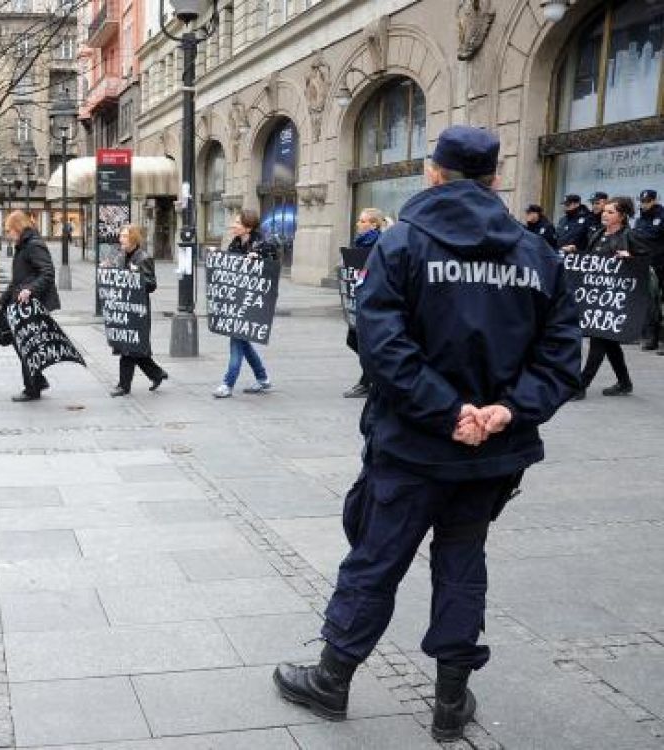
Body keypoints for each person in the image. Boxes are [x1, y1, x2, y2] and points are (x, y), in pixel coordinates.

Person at [272, 126, 581, 742]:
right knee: (462, 564)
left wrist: (448, 412)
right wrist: (504, 412)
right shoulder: (537, 254)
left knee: (376, 558)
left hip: (413, 446)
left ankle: (332, 679)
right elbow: (561, 354)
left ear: (433, 172)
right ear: (494, 179)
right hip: (491, 452)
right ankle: (449, 701)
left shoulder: (402, 244)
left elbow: (380, 344)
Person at [566, 196, 647, 398]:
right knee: (609, 341)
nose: (605, 214)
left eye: (611, 212)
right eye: (605, 211)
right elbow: (592, 260)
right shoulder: (598, 234)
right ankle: (624, 382)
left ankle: (581, 386)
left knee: (599, 340)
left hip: (618, 299)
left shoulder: (630, 235)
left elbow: (645, 262)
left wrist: (630, 258)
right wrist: (576, 252)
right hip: (598, 298)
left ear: (622, 216)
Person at [213, 209, 279, 398]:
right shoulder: (235, 243)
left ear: (248, 227)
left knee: (237, 340)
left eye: (237, 223)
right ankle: (263, 379)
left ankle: (227, 383)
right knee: (243, 341)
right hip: (237, 300)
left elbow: (271, 274)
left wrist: (258, 262)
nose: (233, 226)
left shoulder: (264, 245)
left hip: (255, 302)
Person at [1, 210, 60, 402]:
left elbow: (48, 273)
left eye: (9, 230)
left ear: (18, 228)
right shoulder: (23, 246)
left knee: (25, 345)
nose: (8, 234)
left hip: (34, 303)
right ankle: (38, 381)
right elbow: (19, 278)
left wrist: (30, 290)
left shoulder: (34, 245)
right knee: (24, 345)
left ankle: (32, 388)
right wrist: (3, 300)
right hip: (23, 302)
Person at [103, 224, 168, 396]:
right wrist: (108, 268)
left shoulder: (143, 258)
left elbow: (151, 284)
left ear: (133, 238)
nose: (120, 239)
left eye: (124, 236)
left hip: (137, 310)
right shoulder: (121, 255)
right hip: (124, 308)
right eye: (121, 236)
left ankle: (123, 386)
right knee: (133, 347)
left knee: (128, 348)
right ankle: (157, 373)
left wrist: (136, 275)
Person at [343, 208, 390, 399]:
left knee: (365, 342)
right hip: (358, 298)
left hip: (374, 299)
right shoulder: (360, 243)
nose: (359, 224)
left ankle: (368, 381)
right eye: (359, 221)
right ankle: (373, 377)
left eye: (363, 221)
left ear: (374, 225)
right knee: (353, 339)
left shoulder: (380, 243)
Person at [632, 189, 664, 352]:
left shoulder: (662, 216)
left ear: (654, 200)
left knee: (661, 304)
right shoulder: (640, 219)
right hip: (646, 264)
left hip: (661, 264)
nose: (644, 204)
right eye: (642, 201)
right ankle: (650, 338)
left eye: (647, 201)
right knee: (650, 304)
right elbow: (636, 238)